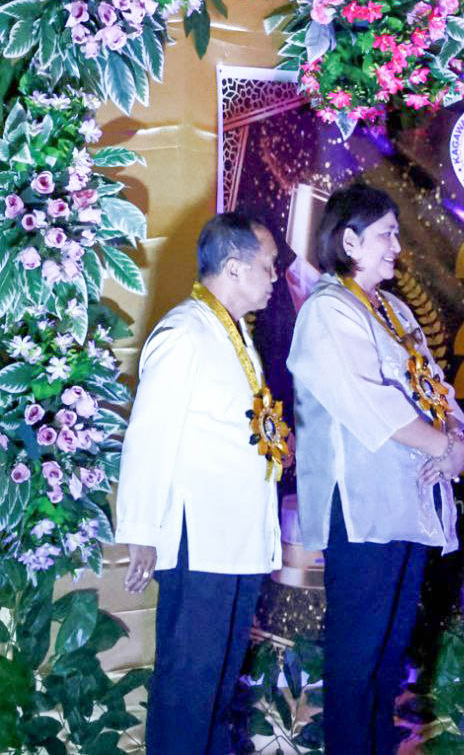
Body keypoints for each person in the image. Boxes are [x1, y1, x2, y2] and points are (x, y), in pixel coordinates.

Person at [287, 183, 464, 754]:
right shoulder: (327, 310)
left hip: (407, 504)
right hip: (361, 509)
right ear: (349, 242)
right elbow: (369, 402)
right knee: (357, 659)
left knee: (389, 658)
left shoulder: (393, 309)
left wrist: (456, 440)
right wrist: (441, 446)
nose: (397, 247)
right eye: (387, 235)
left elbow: (434, 386)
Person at [115, 212, 284, 754]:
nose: (276, 276)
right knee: (188, 688)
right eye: (268, 265)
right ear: (234, 268)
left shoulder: (233, 334)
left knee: (217, 690)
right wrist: (142, 531)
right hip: (200, 542)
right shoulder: (185, 332)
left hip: (235, 542)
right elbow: (148, 437)